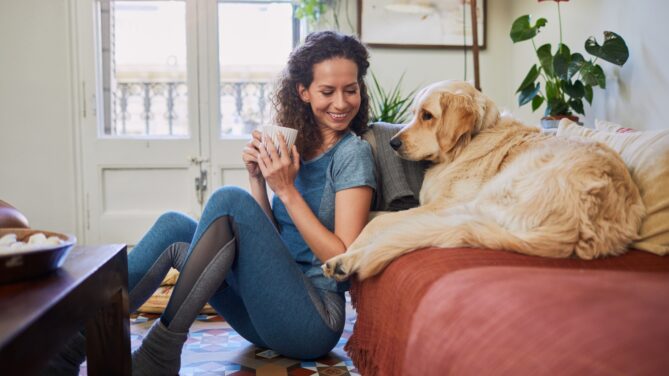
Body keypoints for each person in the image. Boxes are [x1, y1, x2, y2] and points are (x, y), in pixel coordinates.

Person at [45, 30, 376, 375]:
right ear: (303, 91)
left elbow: (344, 259)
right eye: (328, 91)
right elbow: (275, 243)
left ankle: (161, 350)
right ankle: (68, 350)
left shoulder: (353, 153)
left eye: (350, 90)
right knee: (175, 226)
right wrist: (258, 181)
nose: (341, 103)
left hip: (311, 322)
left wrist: (288, 191)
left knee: (227, 200)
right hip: (263, 315)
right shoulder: (297, 148)